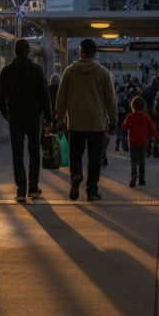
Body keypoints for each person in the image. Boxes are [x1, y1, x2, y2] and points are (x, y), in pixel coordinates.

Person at [56, 39, 117, 201]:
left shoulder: (69, 71)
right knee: (95, 158)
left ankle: (76, 175)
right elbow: (111, 100)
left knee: (75, 153)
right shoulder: (103, 73)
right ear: (95, 54)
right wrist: (113, 121)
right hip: (96, 124)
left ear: (80, 52)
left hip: (75, 122)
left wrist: (60, 120)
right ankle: (91, 190)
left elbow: (61, 99)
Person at [0, 40, 54, 203]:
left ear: (15, 52)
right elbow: (44, 95)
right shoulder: (37, 70)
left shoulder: (7, 70)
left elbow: (0, 97)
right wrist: (48, 118)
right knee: (34, 150)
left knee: (17, 153)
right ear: (29, 52)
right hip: (33, 116)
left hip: (15, 117)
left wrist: (7, 115)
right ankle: (33, 187)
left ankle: (21, 190)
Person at [121, 96, 159, 187]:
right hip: (143, 143)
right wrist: (157, 139)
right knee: (142, 161)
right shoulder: (146, 117)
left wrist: (122, 124)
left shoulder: (130, 116)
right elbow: (153, 129)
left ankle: (133, 175)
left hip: (133, 142)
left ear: (132, 106)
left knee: (133, 160)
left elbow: (125, 127)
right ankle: (142, 179)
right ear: (144, 107)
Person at [141, 77, 159, 159]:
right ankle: (155, 150)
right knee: (157, 132)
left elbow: (141, 100)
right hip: (157, 114)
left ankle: (148, 151)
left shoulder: (146, 90)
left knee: (148, 133)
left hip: (148, 113)